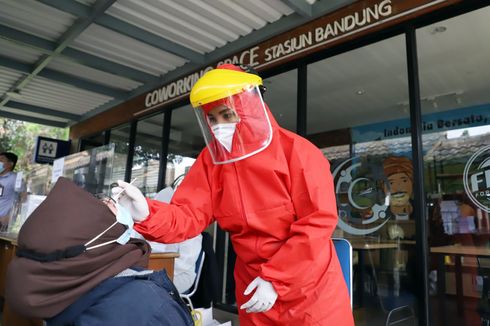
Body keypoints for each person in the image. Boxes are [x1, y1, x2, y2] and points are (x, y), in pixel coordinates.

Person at [115, 64, 354, 325]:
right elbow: (188, 214)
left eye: (227, 115)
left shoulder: (298, 152)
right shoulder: (212, 161)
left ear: (251, 109)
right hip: (253, 286)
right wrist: (147, 212)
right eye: (213, 119)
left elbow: (317, 223)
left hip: (309, 288)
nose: (219, 126)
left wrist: (276, 278)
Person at [5, 177, 193, 326]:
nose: (115, 204)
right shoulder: (148, 306)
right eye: (109, 205)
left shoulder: (57, 289)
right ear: (92, 243)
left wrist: (149, 217)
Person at [0, 151, 18, 229]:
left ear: (10, 164)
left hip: (2, 221)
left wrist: (10, 217)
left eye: (1, 160)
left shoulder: (15, 178)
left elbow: (23, 200)